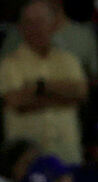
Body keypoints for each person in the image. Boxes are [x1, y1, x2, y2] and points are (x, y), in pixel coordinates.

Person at [0, 0, 87, 164]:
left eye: (40, 22)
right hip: (25, 161)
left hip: (66, 155)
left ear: (54, 25)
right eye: (29, 23)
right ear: (20, 28)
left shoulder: (69, 60)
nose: (35, 28)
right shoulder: (8, 64)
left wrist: (39, 87)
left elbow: (80, 93)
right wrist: (64, 98)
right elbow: (16, 101)